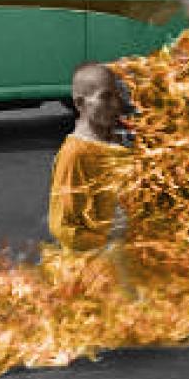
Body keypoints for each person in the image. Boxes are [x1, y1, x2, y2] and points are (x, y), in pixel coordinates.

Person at [47, 62, 129, 251]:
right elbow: (63, 226)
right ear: (80, 103)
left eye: (117, 96)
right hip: (97, 267)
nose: (116, 105)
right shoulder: (75, 154)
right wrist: (108, 247)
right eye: (106, 97)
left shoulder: (115, 141)